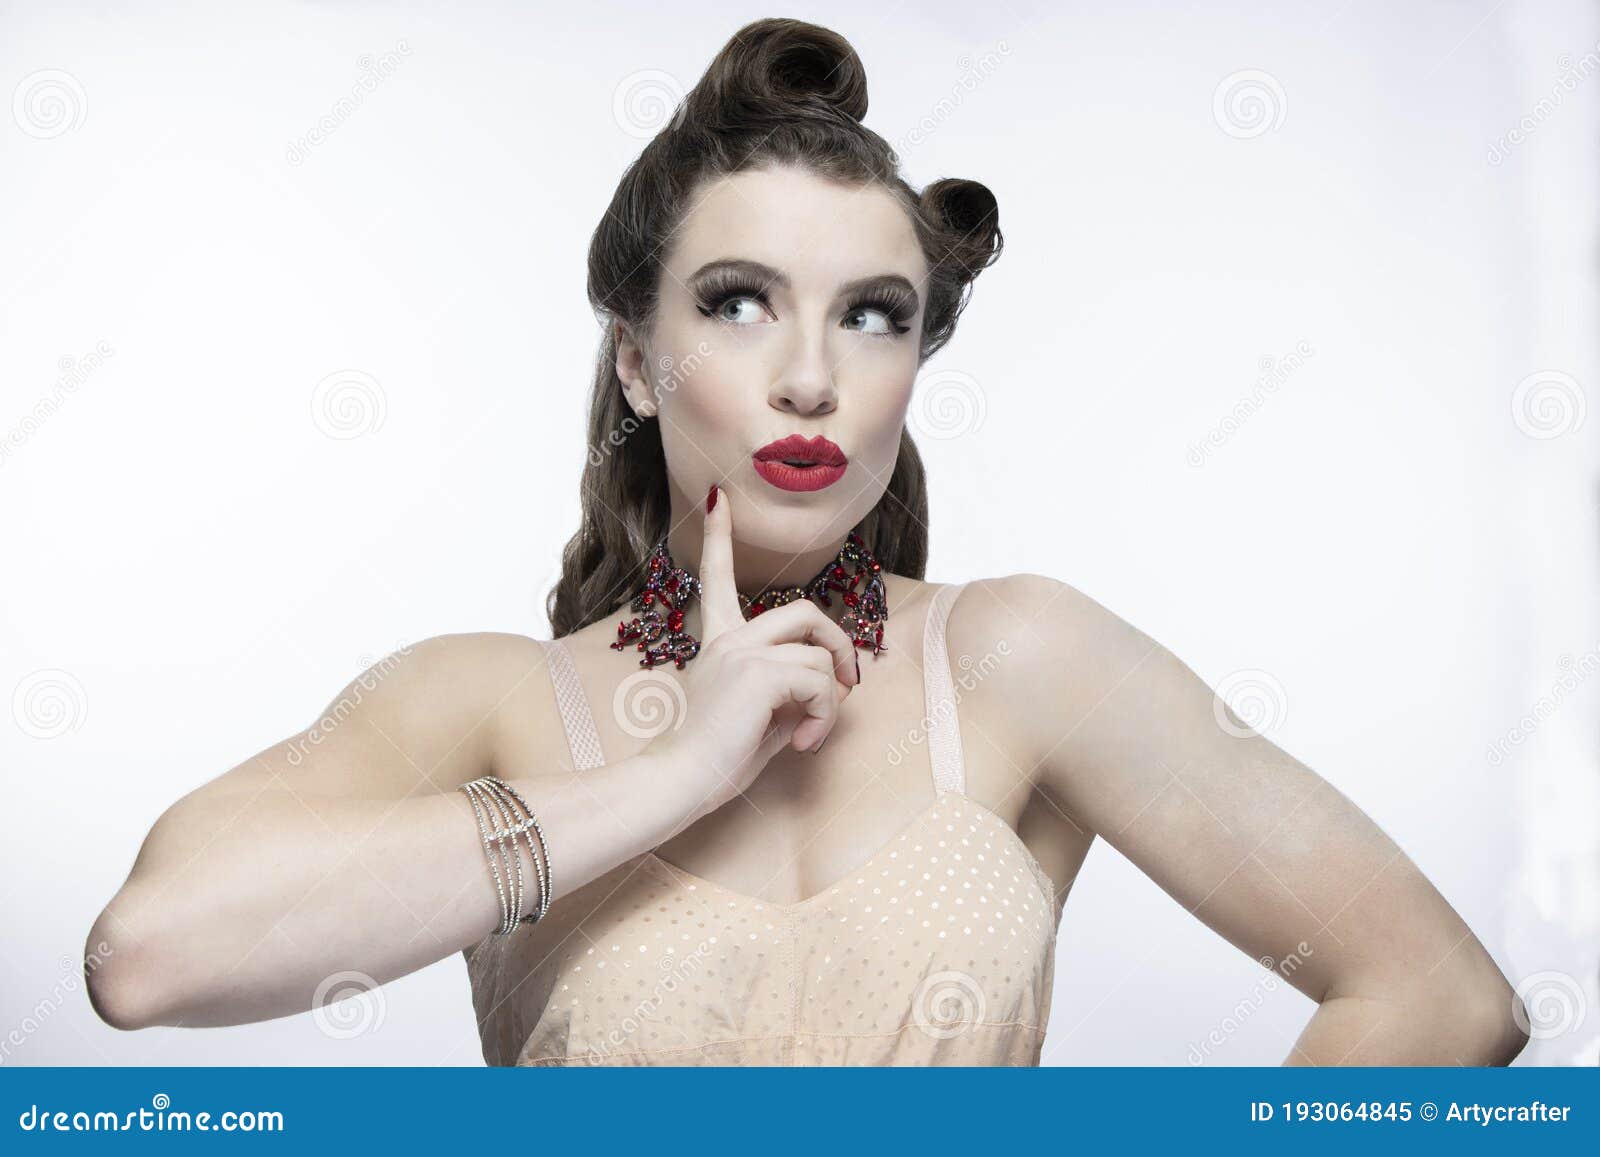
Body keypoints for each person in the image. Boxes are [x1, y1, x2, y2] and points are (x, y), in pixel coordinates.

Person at [84, 17, 1528, 1067]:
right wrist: (675, 771)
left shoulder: (1017, 657)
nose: (810, 376)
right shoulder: (484, 697)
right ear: (639, 362)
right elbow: (151, 956)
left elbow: (1443, 997)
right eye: (736, 300)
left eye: (872, 313)